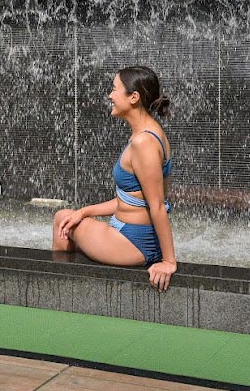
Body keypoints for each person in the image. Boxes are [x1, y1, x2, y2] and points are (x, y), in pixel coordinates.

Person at [52, 66, 177, 290]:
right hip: (129, 233)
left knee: (62, 218)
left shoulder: (144, 143)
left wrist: (168, 262)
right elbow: (132, 199)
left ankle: (59, 291)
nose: (110, 95)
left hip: (135, 243)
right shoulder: (145, 133)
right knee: (71, 216)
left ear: (134, 97)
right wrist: (84, 211)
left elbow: (157, 205)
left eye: (114, 89)